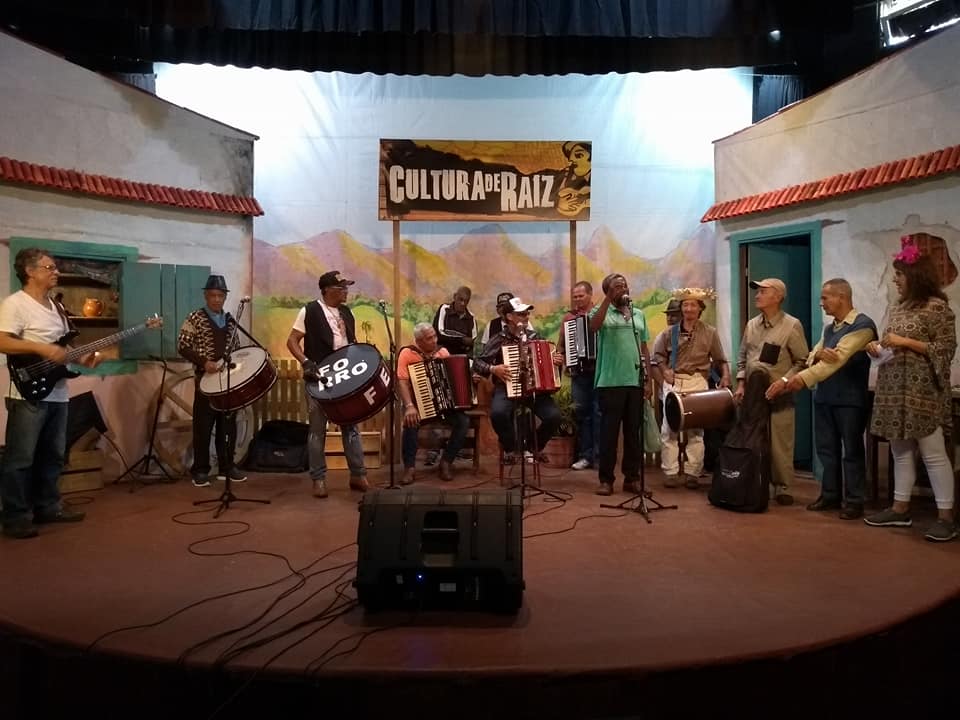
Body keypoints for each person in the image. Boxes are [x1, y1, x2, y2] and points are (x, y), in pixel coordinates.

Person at [0, 248, 100, 539]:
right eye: (49, 267)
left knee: (53, 455)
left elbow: (62, 347)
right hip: (26, 393)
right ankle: (15, 517)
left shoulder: (56, 307)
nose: (56, 272)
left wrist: (83, 358)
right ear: (30, 271)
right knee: (21, 458)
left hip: (57, 392)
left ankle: (48, 507)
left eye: (55, 267)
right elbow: (3, 341)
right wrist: (40, 348)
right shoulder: (15, 304)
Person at [862, 239, 957, 542]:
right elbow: (891, 347)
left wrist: (906, 342)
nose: (895, 280)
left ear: (915, 277)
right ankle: (899, 509)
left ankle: (946, 518)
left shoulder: (937, 308)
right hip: (893, 388)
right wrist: (877, 349)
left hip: (922, 391)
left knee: (933, 454)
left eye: (900, 275)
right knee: (900, 451)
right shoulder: (899, 309)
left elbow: (945, 349)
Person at [783, 279, 877, 520]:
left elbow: (839, 358)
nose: (821, 303)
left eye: (825, 298)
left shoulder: (862, 325)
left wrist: (801, 378)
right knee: (827, 450)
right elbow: (813, 355)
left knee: (851, 450)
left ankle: (854, 500)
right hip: (825, 396)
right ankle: (830, 495)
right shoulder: (829, 328)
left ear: (842, 297)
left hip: (849, 399)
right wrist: (818, 355)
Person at [285, 270, 368, 499]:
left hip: (345, 377)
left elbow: (349, 343)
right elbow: (292, 341)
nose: (346, 291)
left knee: (351, 426)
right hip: (319, 378)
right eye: (342, 288)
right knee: (317, 430)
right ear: (327, 290)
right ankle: (318, 479)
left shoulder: (347, 313)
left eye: (346, 287)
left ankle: (358, 475)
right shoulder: (310, 311)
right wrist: (306, 362)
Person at [735, 278, 809, 505]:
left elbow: (803, 361)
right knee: (752, 437)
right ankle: (757, 481)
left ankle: (783, 486)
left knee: (780, 441)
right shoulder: (751, 325)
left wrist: (784, 381)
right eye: (757, 292)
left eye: (763, 292)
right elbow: (742, 357)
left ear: (778, 297)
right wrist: (741, 384)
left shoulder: (791, 325)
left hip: (779, 394)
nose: (757, 295)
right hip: (752, 395)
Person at [653, 288, 730, 490]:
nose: (688, 309)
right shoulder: (669, 333)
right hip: (675, 381)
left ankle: (692, 473)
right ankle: (670, 472)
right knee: (669, 429)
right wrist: (665, 370)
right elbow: (658, 357)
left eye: (693, 305)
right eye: (685, 305)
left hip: (697, 381)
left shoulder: (710, 333)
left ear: (700, 308)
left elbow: (720, 359)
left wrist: (725, 376)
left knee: (696, 431)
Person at [177, 274, 248, 488]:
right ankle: (200, 470)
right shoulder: (195, 318)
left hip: (226, 381)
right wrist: (203, 362)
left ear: (225, 297)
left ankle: (227, 467)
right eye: (212, 295)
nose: (216, 299)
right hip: (205, 380)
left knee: (228, 426)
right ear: (206, 296)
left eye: (220, 296)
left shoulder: (230, 321)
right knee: (203, 426)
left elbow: (236, 349)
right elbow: (183, 345)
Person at [474, 297, 561, 462]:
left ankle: (532, 447)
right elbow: (478, 363)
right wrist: (493, 369)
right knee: (498, 414)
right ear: (509, 317)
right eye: (521, 314)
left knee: (554, 417)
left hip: (534, 390)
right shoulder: (499, 339)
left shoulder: (534, 337)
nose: (526, 316)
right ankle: (512, 447)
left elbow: (548, 361)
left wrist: (555, 361)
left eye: (527, 313)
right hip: (506, 387)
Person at [588, 273, 652, 496]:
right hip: (610, 382)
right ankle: (606, 480)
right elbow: (594, 326)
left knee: (633, 433)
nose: (622, 288)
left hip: (634, 381)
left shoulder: (638, 314)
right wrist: (608, 298)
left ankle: (632, 479)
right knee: (609, 433)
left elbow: (644, 348)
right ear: (608, 290)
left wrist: (648, 380)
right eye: (616, 286)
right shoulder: (602, 312)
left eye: (624, 285)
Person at [396, 322, 470, 484]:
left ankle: (446, 462)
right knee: (410, 423)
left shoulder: (442, 352)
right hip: (417, 405)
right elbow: (402, 382)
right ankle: (409, 468)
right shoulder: (407, 353)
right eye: (429, 338)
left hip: (444, 406)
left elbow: (453, 377)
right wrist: (409, 406)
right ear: (419, 341)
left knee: (463, 421)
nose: (434, 340)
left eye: (435, 336)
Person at [553, 281, 600, 470]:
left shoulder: (600, 314)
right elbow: (561, 345)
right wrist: (563, 357)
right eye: (575, 297)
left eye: (581, 296)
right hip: (579, 373)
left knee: (599, 413)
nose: (578, 299)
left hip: (600, 372)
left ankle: (600, 456)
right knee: (582, 414)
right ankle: (585, 455)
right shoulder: (569, 318)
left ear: (590, 295)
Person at [433, 286, 478, 356]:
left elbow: (471, 342)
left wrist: (451, 339)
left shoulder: (471, 317)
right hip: (442, 354)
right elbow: (439, 335)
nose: (463, 303)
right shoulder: (444, 309)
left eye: (466, 301)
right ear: (454, 296)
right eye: (460, 299)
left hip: (461, 357)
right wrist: (462, 340)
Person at [555, 141, 592, 218]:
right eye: (569, 154)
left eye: (579, 155)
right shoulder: (567, 173)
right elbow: (559, 192)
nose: (570, 159)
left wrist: (582, 205)